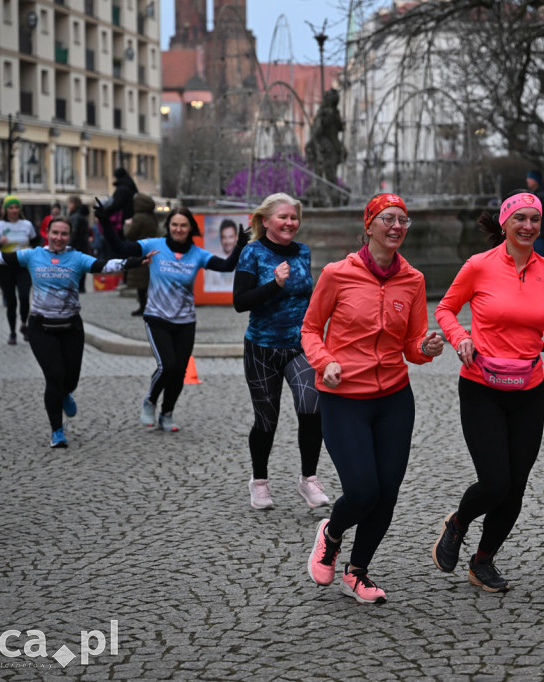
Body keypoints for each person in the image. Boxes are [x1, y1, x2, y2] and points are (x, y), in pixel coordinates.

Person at [431, 190, 544, 592]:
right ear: (505, 223)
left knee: (516, 485)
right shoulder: (478, 266)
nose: (528, 225)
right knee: (495, 481)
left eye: (535, 219)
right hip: (481, 386)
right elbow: (444, 309)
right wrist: (460, 338)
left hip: (529, 389)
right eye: (521, 218)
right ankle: (457, 523)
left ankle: (483, 562)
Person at [302, 193, 444, 604]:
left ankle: (357, 572)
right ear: (368, 226)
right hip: (343, 396)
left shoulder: (413, 279)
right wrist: (324, 360)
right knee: (363, 491)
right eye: (388, 219)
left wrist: (427, 348)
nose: (397, 226)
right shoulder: (336, 274)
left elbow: (413, 345)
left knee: (387, 493)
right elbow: (310, 329)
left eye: (403, 220)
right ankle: (330, 534)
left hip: (394, 399)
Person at [0, 217, 154, 447]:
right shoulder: (33, 255)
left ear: (69, 236)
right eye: (55, 233)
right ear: (47, 232)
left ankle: (66, 393)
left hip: (71, 327)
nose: (58, 238)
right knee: (54, 377)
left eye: (63, 234)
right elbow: (0, 257)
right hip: (41, 327)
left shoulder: (77, 258)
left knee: (71, 380)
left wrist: (135, 262)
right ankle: (57, 431)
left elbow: (104, 265)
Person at [98, 203, 247, 432]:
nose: (178, 229)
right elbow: (120, 247)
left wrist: (239, 246)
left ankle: (167, 414)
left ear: (190, 228)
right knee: (167, 366)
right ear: (168, 226)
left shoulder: (197, 253)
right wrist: (105, 221)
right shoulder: (154, 246)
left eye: (183, 225)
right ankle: (150, 400)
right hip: (157, 317)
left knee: (179, 372)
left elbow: (227, 266)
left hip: (185, 321)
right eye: (174, 225)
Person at [232, 194, 327, 511]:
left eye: (294, 218)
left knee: (311, 410)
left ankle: (308, 480)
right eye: (283, 217)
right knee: (265, 421)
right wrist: (274, 284)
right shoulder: (252, 253)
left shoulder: (303, 251)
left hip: (300, 347)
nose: (290, 223)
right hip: (262, 348)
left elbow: (309, 295)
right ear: (265, 220)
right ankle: (259, 483)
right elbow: (240, 302)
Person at [0, 195, 39, 345]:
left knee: (24, 296)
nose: (14, 210)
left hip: (23, 266)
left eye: (16, 207)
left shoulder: (27, 225)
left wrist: (32, 247)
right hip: (5, 267)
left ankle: (24, 324)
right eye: (11, 207)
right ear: (6, 210)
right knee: (11, 301)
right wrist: (0, 242)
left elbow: (37, 242)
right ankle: (12, 332)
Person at [125, 193, 160, 316]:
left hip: (139, 251)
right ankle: (150, 307)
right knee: (149, 282)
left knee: (141, 284)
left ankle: (143, 307)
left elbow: (130, 235)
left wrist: (127, 225)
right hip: (151, 251)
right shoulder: (152, 216)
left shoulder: (138, 217)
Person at [526, 170, 544, 258]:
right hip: (536, 235)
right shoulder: (536, 195)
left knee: (538, 261)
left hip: (538, 235)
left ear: (536, 180)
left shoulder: (542, 196)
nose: (527, 180)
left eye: (530, 178)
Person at [66, 196, 91, 293]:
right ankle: (81, 287)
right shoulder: (82, 216)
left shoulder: (75, 217)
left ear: (75, 204)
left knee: (75, 266)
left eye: (70, 203)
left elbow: (74, 232)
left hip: (77, 245)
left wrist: (68, 245)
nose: (68, 206)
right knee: (81, 266)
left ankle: (77, 287)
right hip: (83, 244)